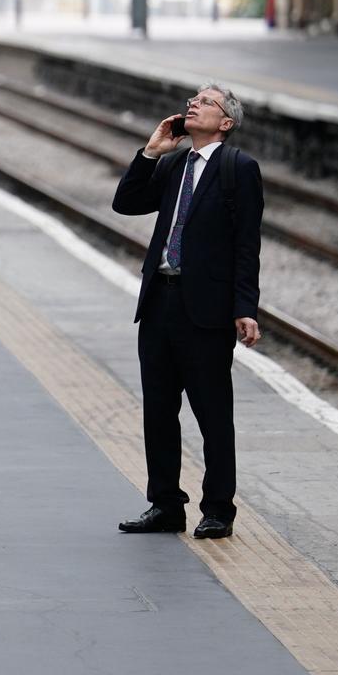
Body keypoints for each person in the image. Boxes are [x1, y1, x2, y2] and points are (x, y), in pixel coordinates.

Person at [110, 85, 263, 540]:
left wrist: (245, 308)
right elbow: (126, 203)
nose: (193, 104)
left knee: (213, 414)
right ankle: (165, 505)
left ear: (226, 122)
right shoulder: (174, 163)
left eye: (206, 102)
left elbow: (246, 246)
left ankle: (218, 508)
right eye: (193, 98)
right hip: (160, 302)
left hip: (207, 311)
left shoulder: (239, 170)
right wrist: (150, 153)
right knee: (158, 410)